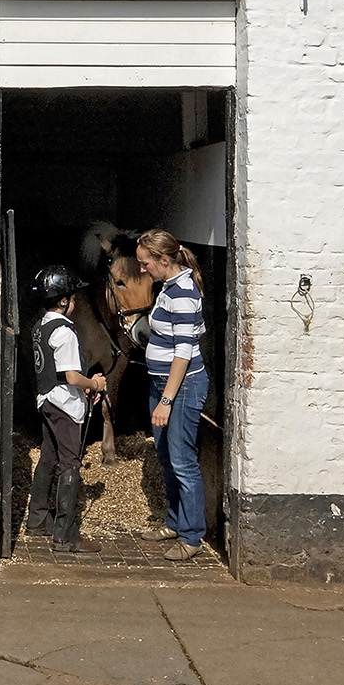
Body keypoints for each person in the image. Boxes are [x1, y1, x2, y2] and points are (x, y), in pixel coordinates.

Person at [136, 230, 208, 561]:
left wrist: (166, 399)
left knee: (182, 460)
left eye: (144, 263)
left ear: (164, 260)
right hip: (160, 383)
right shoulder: (168, 286)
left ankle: (192, 536)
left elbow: (183, 352)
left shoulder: (183, 293)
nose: (141, 269)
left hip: (181, 386)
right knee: (166, 456)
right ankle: (176, 522)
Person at [26, 264, 106, 553]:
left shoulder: (40, 326)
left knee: (48, 457)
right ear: (63, 300)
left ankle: (36, 519)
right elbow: (72, 376)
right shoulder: (65, 332)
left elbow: (57, 371)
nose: (75, 302)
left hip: (46, 400)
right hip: (64, 405)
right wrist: (94, 383)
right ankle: (65, 534)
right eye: (72, 297)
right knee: (70, 462)